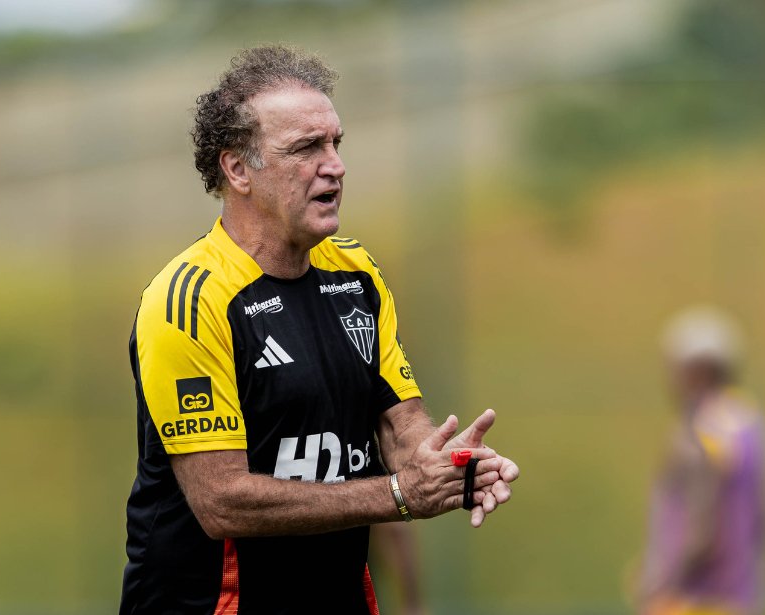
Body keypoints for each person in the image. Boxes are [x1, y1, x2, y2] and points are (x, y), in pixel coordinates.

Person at [119, 44, 519, 615]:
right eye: (306, 148)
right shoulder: (189, 299)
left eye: (335, 143)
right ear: (237, 169)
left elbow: (400, 423)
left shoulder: (357, 273)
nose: (335, 165)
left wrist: (443, 465)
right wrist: (400, 494)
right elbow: (222, 502)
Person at [635, 305, 765, 615]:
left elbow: (702, 531)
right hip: (742, 599)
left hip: (692, 602)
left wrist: (661, 583)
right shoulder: (753, 424)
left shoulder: (701, 430)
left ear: (697, 370)